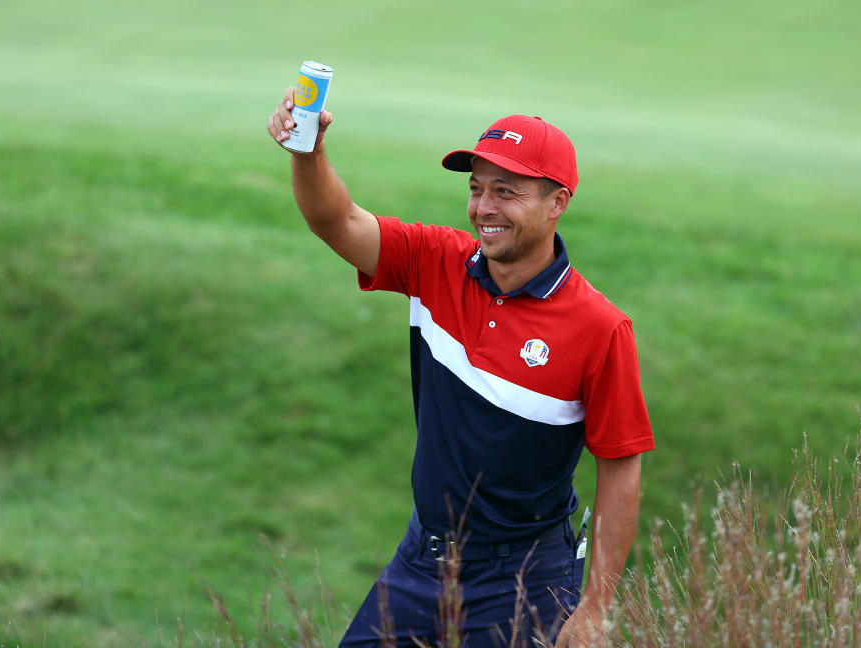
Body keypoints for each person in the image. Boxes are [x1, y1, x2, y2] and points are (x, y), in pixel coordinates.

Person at [267, 87, 655, 648]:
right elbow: (337, 220)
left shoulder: (600, 328)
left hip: (525, 583)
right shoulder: (434, 262)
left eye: (506, 192)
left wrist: (595, 608)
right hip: (421, 565)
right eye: (476, 189)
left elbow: (621, 467)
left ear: (557, 202)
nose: (483, 208)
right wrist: (308, 150)